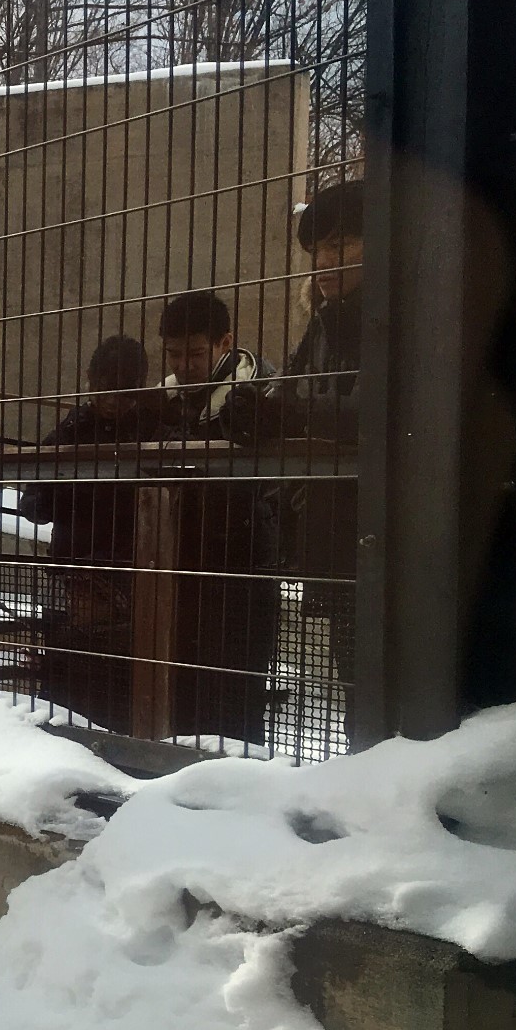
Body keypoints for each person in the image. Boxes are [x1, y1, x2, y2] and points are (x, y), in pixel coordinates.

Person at [148, 290, 282, 746]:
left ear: (225, 342)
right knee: (184, 691)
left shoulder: (261, 392)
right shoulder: (165, 399)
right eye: (174, 354)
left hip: (243, 563)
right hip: (182, 563)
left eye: (196, 353)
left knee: (236, 694)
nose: (183, 365)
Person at [19, 335, 157, 730]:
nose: (114, 400)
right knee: (68, 669)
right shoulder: (74, 427)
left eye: (124, 391)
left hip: (125, 570)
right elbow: (34, 497)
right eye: (105, 390)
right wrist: (47, 499)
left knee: (115, 675)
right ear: (91, 382)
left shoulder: (151, 427)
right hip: (76, 568)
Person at [281, 180, 363, 688]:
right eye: (317, 251)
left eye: (338, 245)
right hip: (337, 532)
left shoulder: (407, 315)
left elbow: (383, 414)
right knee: (355, 683)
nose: (323, 264)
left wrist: (300, 414)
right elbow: (290, 396)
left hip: (388, 536)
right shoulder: (325, 322)